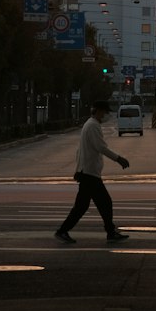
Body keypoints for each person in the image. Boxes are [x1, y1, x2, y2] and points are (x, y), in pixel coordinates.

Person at [55, 100, 130, 244]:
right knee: (105, 203)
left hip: (87, 172)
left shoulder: (89, 124)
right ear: (98, 111)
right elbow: (101, 147)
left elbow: (80, 151)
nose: (104, 115)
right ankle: (110, 232)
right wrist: (119, 159)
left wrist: (79, 168)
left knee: (83, 206)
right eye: (103, 112)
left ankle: (63, 231)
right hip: (90, 173)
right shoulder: (93, 126)